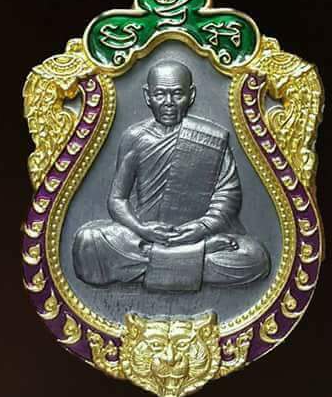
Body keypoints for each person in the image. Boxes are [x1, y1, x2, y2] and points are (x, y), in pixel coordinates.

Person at [73, 60, 270, 291]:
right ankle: (194, 257)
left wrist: (201, 228)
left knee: (255, 257)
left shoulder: (210, 137)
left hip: (197, 234)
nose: (168, 102)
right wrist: (142, 229)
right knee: (88, 241)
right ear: (148, 96)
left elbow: (227, 196)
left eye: (177, 94)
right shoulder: (135, 137)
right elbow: (117, 199)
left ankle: (156, 262)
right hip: (144, 235)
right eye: (160, 94)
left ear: (191, 95)